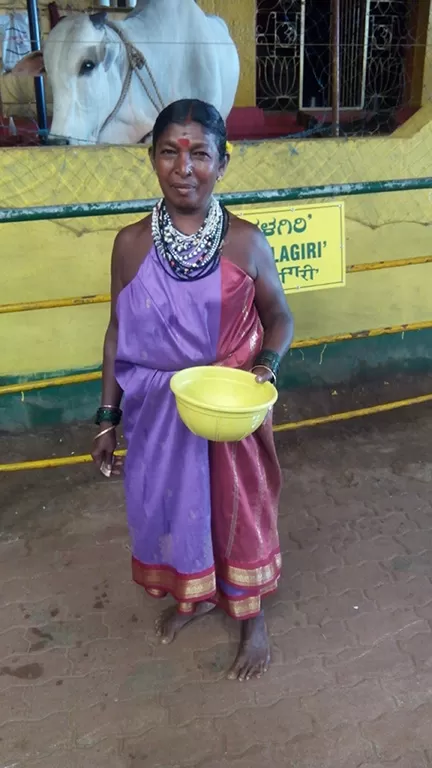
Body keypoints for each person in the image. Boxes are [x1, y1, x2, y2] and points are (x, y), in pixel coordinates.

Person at [91, 99, 294, 681]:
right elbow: (117, 331)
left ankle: (251, 617)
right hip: (161, 409)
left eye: (200, 154)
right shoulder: (131, 245)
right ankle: (196, 597)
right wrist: (107, 418)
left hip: (231, 403)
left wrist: (266, 368)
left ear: (222, 163)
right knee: (175, 507)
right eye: (169, 153)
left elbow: (280, 317)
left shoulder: (246, 242)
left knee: (239, 507)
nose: (184, 168)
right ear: (152, 160)